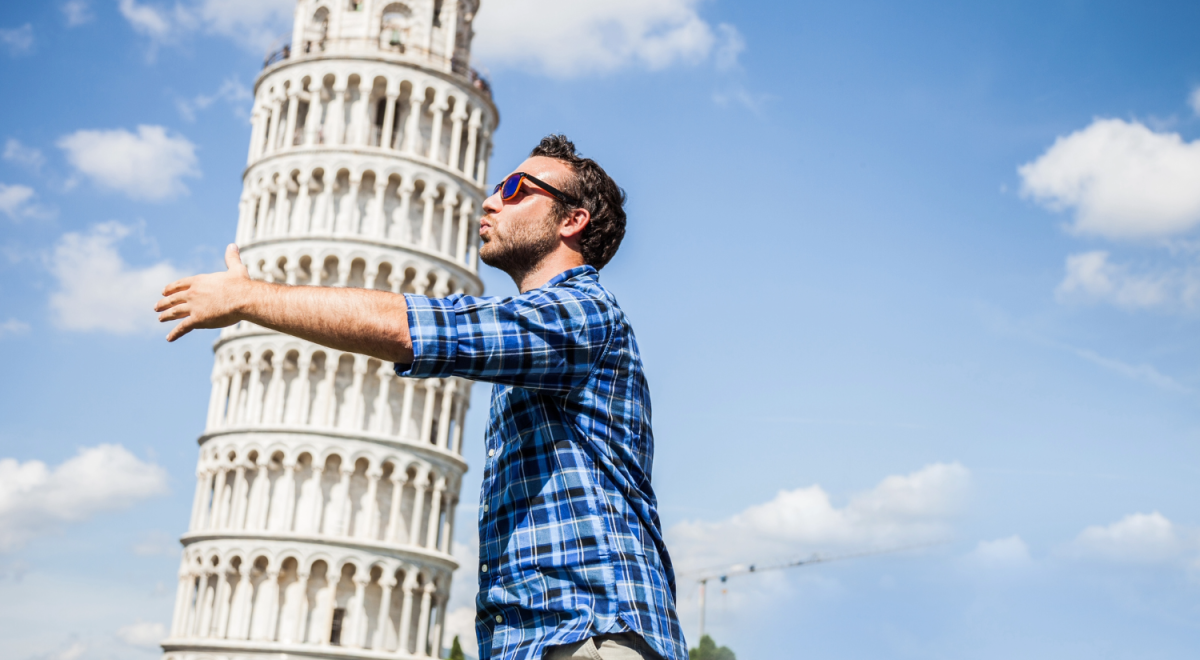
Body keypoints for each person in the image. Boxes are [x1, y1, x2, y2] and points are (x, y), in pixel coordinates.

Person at [155, 135, 687, 660]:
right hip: (541, 640)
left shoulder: (582, 314)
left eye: (518, 187)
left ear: (572, 221)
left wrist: (250, 297)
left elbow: (421, 329)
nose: (491, 199)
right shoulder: (542, 336)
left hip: (591, 633)